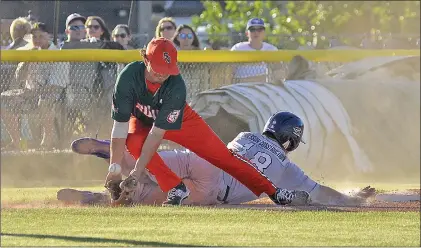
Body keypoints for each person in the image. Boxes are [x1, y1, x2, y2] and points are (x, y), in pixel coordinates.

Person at [106, 37, 309, 207]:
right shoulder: (128, 78)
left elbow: (156, 135)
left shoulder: (175, 86)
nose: (162, 73)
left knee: (224, 158)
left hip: (181, 120)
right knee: (133, 141)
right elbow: (120, 126)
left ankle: (275, 192)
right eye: (157, 67)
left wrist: (136, 172)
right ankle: (176, 188)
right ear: (145, 59)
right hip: (142, 120)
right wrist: (114, 169)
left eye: (167, 68)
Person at [58, 111, 375, 206]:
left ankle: (112, 154)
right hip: (213, 190)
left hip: (200, 161)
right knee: (146, 199)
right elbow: (319, 193)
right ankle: (94, 199)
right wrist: (354, 200)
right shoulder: (285, 167)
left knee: (148, 164)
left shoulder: (245, 136)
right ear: (290, 138)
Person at [230, 18, 279, 83]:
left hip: (264, 88)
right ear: (247, 33)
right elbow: (229, 74)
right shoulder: (237, 49)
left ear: (264, 33)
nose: (256, 32)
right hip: (241, 88)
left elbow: (279, 73)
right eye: (252, 29)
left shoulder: (271, 50)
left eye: (259, 29)